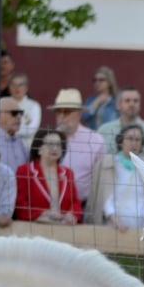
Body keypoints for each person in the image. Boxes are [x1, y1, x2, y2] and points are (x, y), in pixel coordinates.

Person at [49, 88, 106, 220]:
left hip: (83, 206)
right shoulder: (48, 138)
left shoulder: (95, 140)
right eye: (58, 111)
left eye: (67, 111)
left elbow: (101, 177)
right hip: (50, 207)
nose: (62, 116)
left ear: (79, 113)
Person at [14, 128, 81, 224]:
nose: (55, 148)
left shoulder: (68, 173)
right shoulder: (24, 171)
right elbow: (20, 204)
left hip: (64, 228)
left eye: (58, 144)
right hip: (34, 228)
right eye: (50, 144)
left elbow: (75, 202)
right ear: (39, 149)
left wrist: (72, 214)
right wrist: (42, 214)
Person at [97, 86, 144, 159]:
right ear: (118, 105)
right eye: (127, 101)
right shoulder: (104, 130)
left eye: (135, 101)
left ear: (139, 104)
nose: (132, 104)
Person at [101, 124, 144, 230]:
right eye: (130, 138)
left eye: (138, 140)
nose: (134, 143)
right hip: (116, 227)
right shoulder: (111, 163)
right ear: (121, 141)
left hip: (142, 227)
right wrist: (114, 220)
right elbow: (106, 197)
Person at [8, 72, 42, 149]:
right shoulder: (2, 104)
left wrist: (10, 129)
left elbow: (31, 129)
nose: (17, 88)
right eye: (13, 85)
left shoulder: (34, 106)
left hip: (26, 147)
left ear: (26, 88)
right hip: (5, 146)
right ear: (9, 87)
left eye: (20, 85)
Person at [82, 66, 119, 131]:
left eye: (101, 80)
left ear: (109, 82)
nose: (97, 83)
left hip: (109, 138)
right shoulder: (90, 100)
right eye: (95, 80)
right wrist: (96, 102)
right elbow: (84, 117)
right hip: (92, 138)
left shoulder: (116, 102)